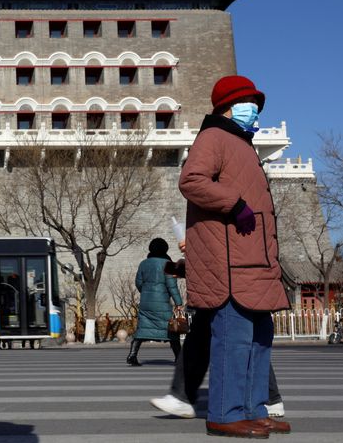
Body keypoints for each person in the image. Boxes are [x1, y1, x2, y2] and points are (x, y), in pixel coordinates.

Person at [177, 75, 291, 438]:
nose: (254, 109)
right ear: (228, 105)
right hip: (230, 265)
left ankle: (255, 409)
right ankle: (225, 414)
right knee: (233, 342)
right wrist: (235, 203)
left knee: (259, 342)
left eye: (256, 104)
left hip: (254, 261)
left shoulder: (242, 143)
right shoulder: (214, 137)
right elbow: (191, 181)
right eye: (248, 102)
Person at [151, 242, 286, 419]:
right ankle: (183, 395)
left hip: (236, 281)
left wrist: (196, 248)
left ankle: (186, 397)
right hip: (230, 280)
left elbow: (223, 246)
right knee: (232, 340)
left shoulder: (233, 218)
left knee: (240, 342)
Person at [127, 238, 183, 366]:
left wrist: (146, 292)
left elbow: (138, 282)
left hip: (146, 302)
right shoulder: (168, 264)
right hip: (162, 303)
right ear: (165, 249)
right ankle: (179, 358)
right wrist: (178, 303)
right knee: (172, 330)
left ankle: (132, 355)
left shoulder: (144, 263)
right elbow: (172, 286)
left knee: (142, 329)